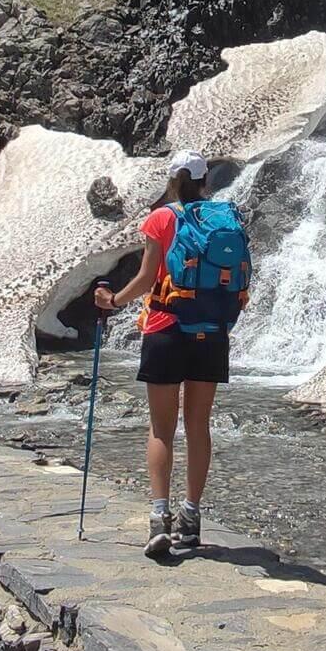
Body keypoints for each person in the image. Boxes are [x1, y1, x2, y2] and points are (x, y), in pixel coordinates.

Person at [94, 150, 231, 558]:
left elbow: (147, 278)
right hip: (210, 331)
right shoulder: (223, 219)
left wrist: (112, 300)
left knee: (161, 428)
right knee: (199, 426)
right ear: (205, 181)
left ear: (173, 180)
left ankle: (159, 517)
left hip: (165, 328)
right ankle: (191, 519)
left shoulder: (160, 219)